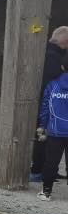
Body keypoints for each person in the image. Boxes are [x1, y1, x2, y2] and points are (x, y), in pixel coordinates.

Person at [32, 26, 68, 181]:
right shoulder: (52, 56)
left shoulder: (53, 53)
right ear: (65, 41)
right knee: (44, 136)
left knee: (51, 138)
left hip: (52, 101)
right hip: (49, 102)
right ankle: (39, 169)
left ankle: (49, 170)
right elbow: (53, 79)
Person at [37, 53, 68, 201]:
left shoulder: (52, 85)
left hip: (55, 131)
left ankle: (46, 191)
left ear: (62, 67)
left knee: (51, 162)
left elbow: (45, 108)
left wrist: (42, 126)